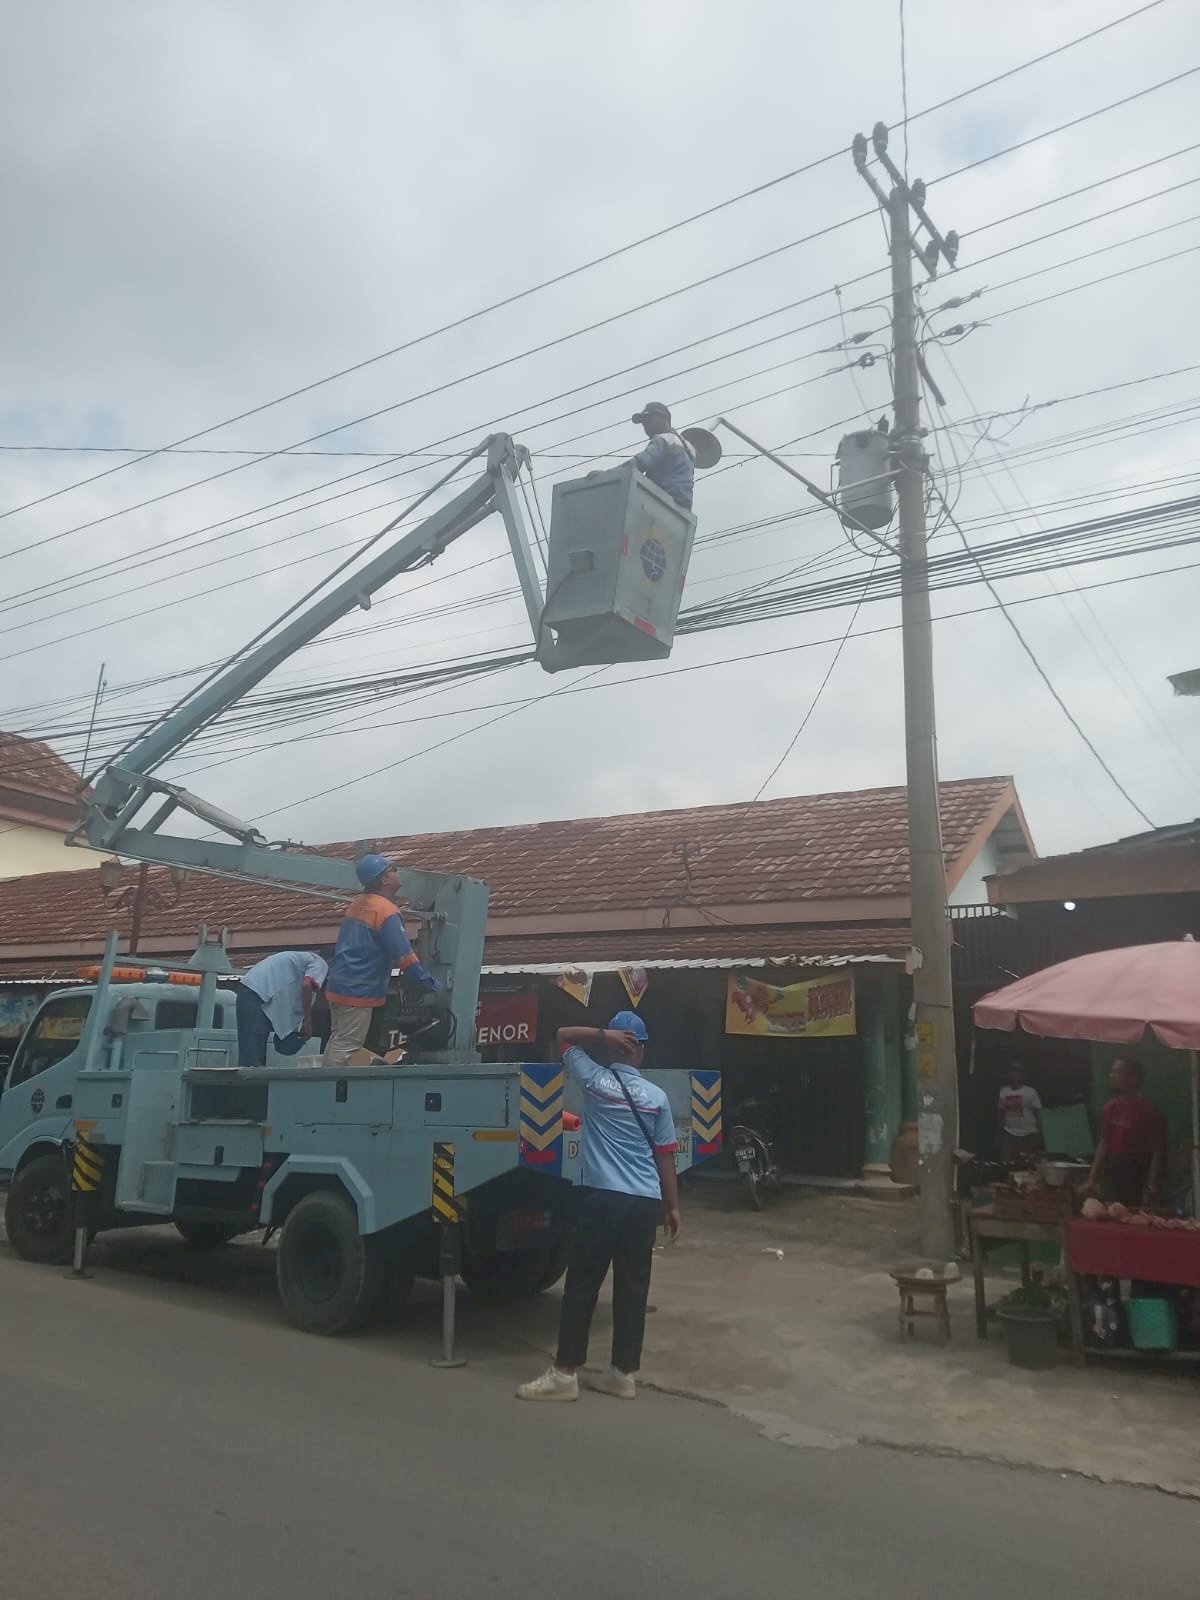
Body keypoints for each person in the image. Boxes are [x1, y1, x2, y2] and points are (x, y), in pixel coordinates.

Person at [517, 1012, 681, 1404]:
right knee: (633, 1288)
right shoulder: (658, 1098)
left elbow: (562, 1035)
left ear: (612, 1046)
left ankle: (565, 1374)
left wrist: (601, 1034)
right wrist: (673, 1207)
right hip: (645, 1203)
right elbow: (666, 1157)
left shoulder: (595, 1081)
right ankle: (622, 1375)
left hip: (602, 1197)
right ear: (641, 1049)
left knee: (584, 1284)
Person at [324, 854, 441, 1066]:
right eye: (393, 869)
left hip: (340, 983)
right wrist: (428, 982)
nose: (398, 872)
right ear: (384, 880)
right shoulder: (385, 911)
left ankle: (329, 1084)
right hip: (358, 988)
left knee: (338, 1039)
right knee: (347, 1045)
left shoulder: (358, 904)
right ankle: (328, 1089)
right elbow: (404, 955)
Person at [1086, 1056, 1167, 1208]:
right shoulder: (1110, 1107)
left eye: (1117, 1072)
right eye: (1112, 1072)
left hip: (1136, 1172)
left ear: (1133, 1078)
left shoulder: (1149, 1110)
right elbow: (1104, 1142)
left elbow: (1157, 1150)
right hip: (1112, 1170)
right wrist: (1092, 1179)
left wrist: (1151, 1184)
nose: (1112, 1076)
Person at [236, 949, 328, 1067]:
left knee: (253, 1047)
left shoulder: (299, 964)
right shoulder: (320, 963)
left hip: (253, 987)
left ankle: (253, 1077)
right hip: (257, 991)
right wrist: (308, 1020)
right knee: (252, 1056)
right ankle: (250, 1082)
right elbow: (306, 986)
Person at [631, 401, 696, 510]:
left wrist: (609, 474)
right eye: (643, 424)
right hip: (683, 504)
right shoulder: (690, 448)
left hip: (660, 498)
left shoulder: (663, 439)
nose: (645, 426)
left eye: (648, 420)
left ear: (663, 418)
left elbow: (641, 463)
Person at [996, 1061, 1044, 1162]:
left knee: (1026, 1164)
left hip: (1028, 1134)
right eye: (1011, 1072)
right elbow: (1001, 1112)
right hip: (1009, 1133)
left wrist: (1041, 1133)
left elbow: (1039, 1113)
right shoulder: (1004, 1091)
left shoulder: (1030, 1092)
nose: (1013, 1075)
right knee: (1007, 1162)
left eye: (1017, 1072)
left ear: (1022, 1075)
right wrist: (1000, 1131)